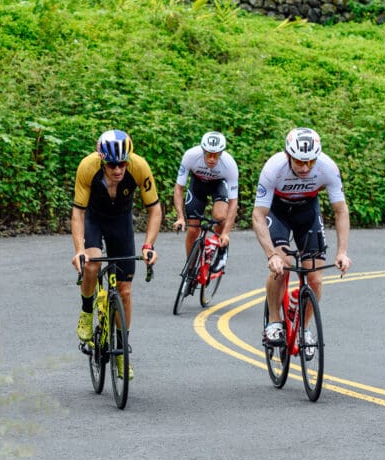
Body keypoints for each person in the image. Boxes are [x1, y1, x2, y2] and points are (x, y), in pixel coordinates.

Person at [71, 129, 162, 379]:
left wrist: (148, 245)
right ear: (102, 161)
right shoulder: (88, 167)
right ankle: (87, 312)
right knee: (91, 264)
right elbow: (78, 213)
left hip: (121, 221)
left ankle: (121, 352)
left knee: (125, 290)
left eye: (122, 163)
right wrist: (79, 250)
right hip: (94, 219)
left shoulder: (139, 167)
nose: (118, 170)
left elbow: (155, 210)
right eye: (112, 165)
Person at [252, 127, 351, 352]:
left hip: (307, 214)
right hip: (278, 213)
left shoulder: (327, 167)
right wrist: (271, 254)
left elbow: (341, 211)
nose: (306, 168)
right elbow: (258, 216)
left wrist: (342, 252)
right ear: (288, 155)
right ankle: (274, 321)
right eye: (299, 162)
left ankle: (304, 329)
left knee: (314, 278)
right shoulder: (273, 168)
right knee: (283, 265)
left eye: (310, 162)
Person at [173, 131, 239, 273]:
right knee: (193, 229)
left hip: (218, 185)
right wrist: (180, 217)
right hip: (198, 185)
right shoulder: (190, 156)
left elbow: (234, 202)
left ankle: (221, 249)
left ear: (222, 153)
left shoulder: (229, 165)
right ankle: (190, 266)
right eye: (208, 154)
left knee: (220, 217)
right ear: (203, 150)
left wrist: (226, 232)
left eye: (216, 155)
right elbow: (179, 188)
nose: (212, 159)